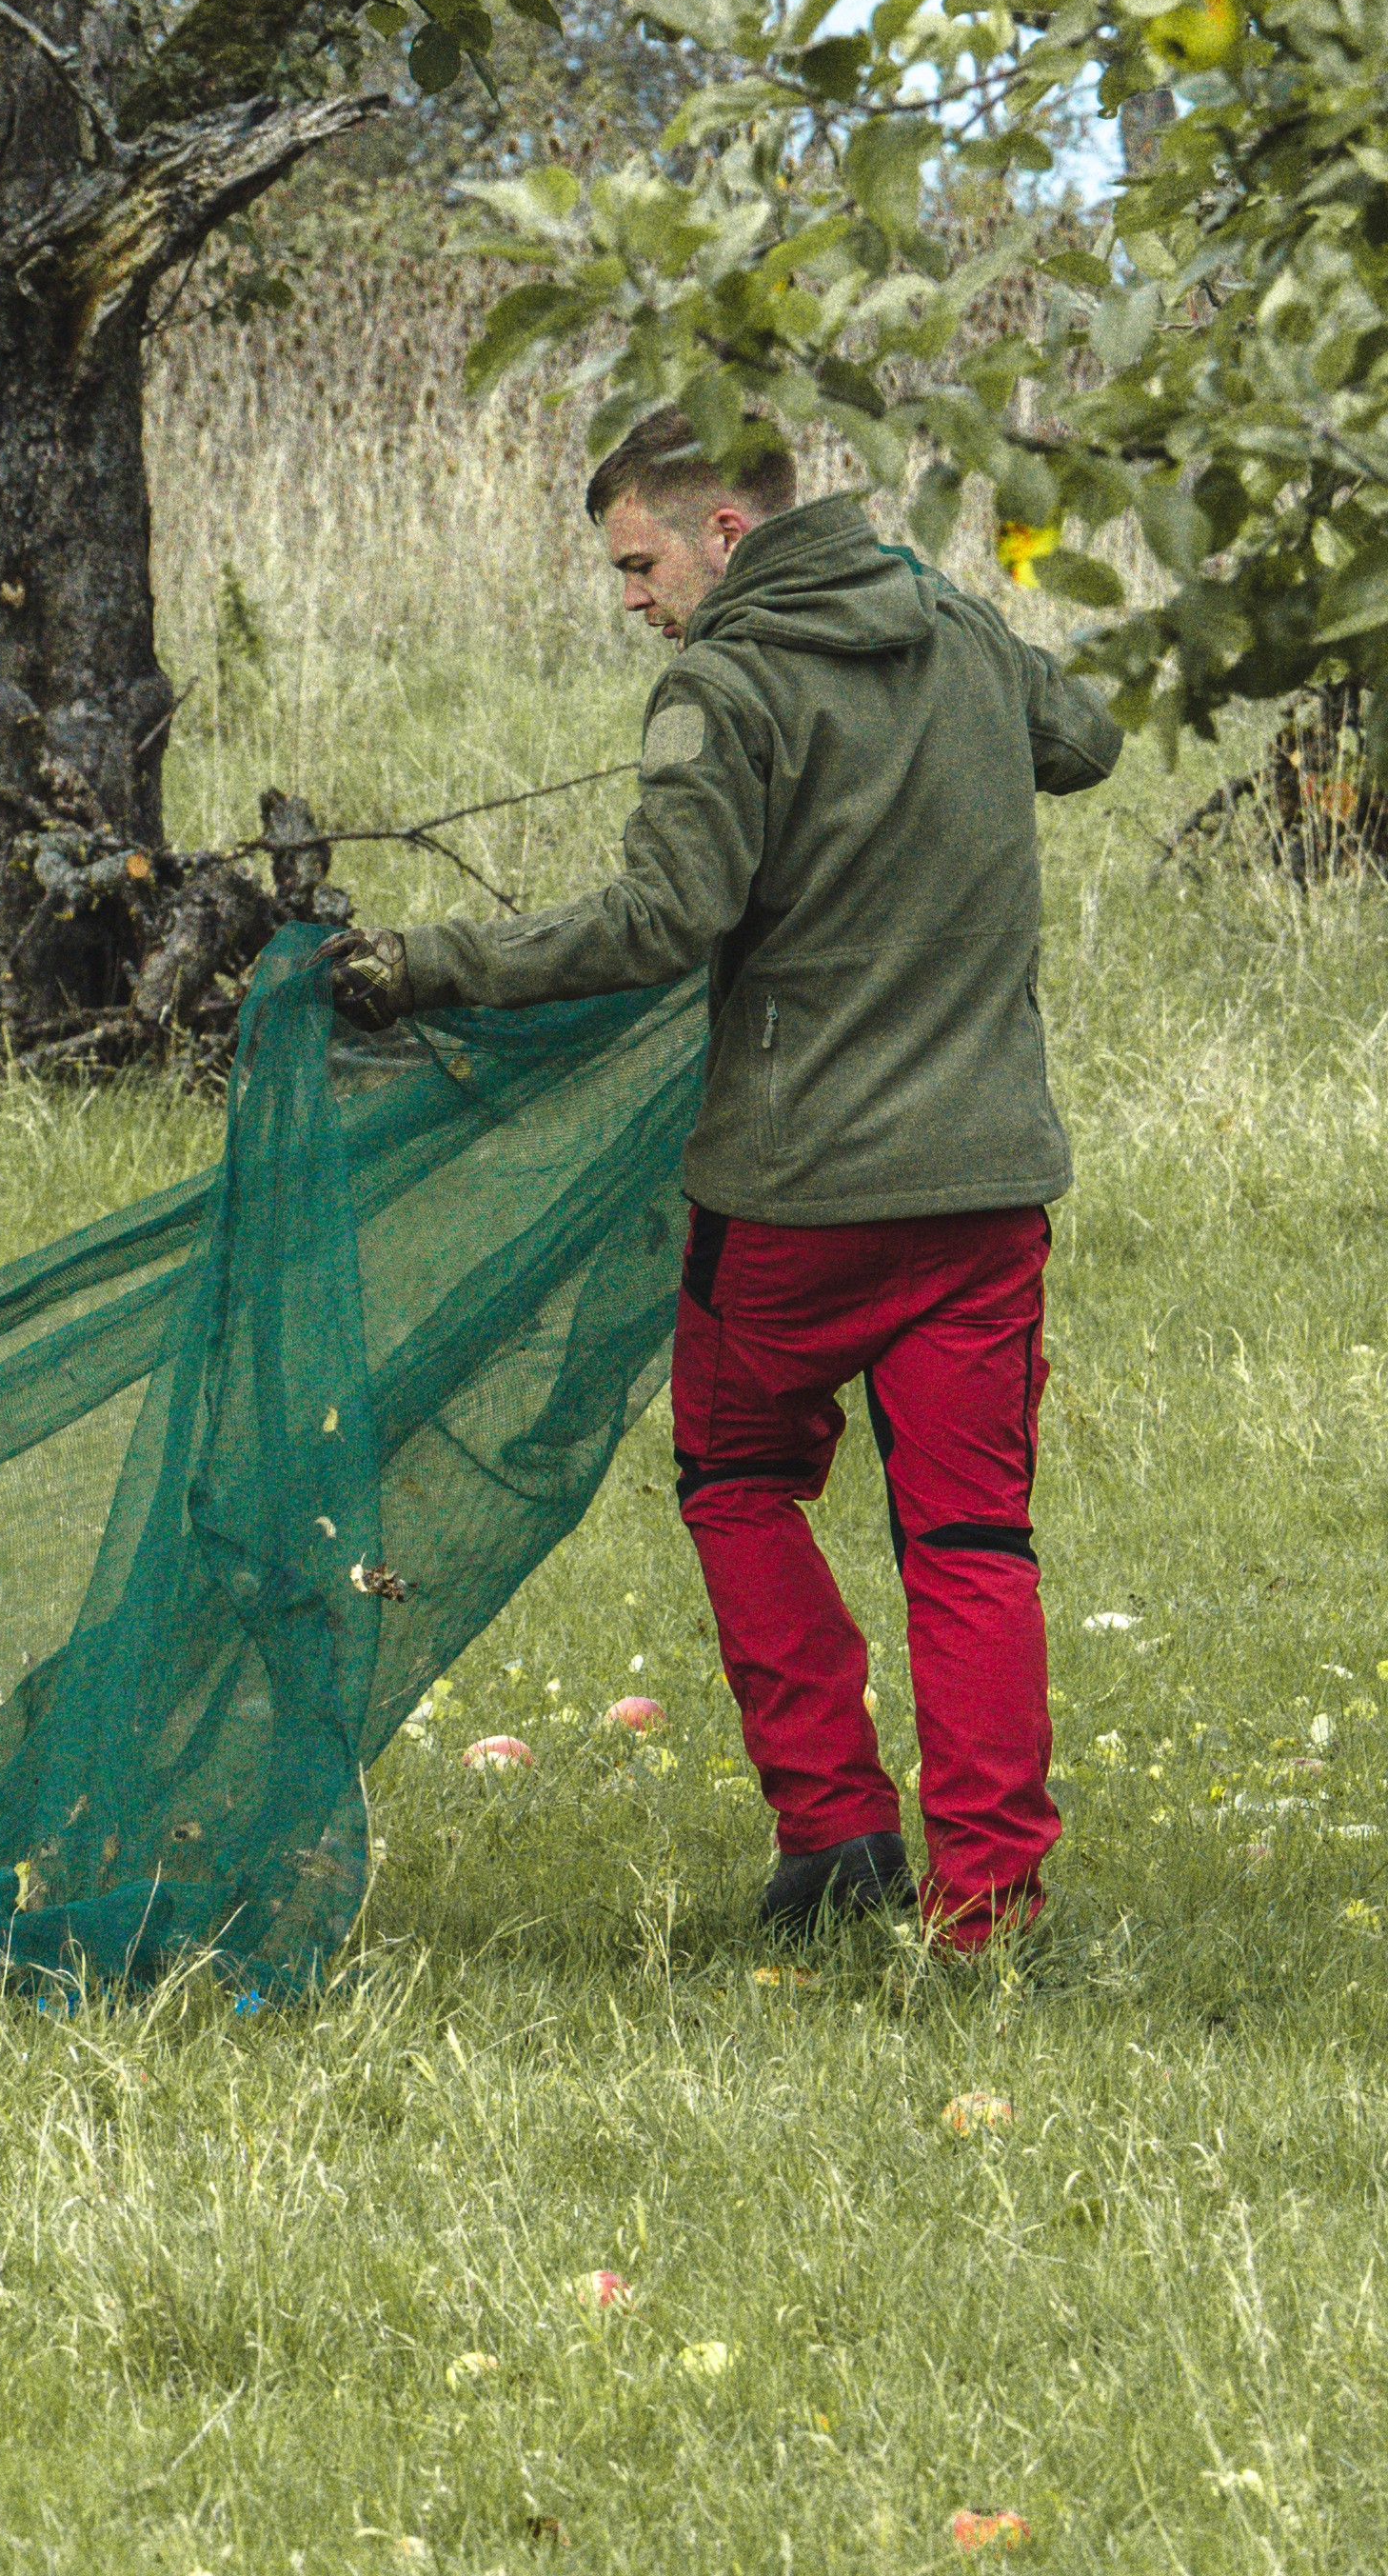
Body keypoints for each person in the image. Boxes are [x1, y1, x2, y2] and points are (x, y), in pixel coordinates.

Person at [340, 416, 1120, 1952]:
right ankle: (990, 1914)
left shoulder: (724, 680)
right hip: (985, 1195)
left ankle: (833, 1837)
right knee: (971, 1546)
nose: (631, 599)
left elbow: (659, 918)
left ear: (733, 535)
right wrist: (950, 619)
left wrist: (429, 965)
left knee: (741, 1485)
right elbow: (1083, 737)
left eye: (641, 562)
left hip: (793, 1204)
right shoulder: (948, 614)